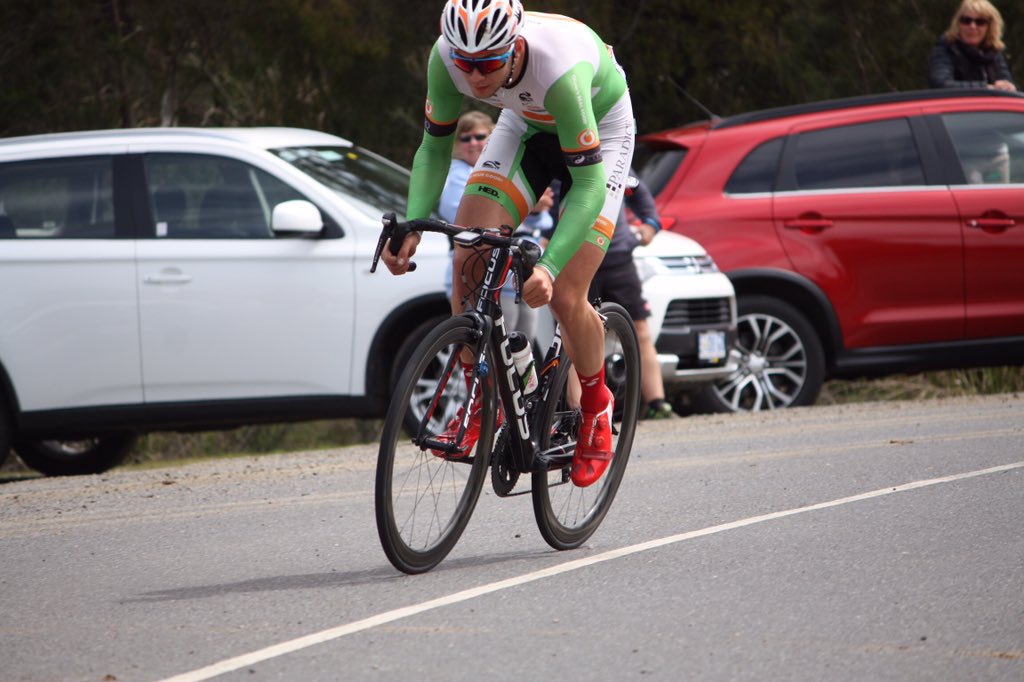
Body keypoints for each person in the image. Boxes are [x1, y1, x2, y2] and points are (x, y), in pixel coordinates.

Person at [382, 0, 634, 487]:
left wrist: (550, 266)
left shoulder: (559, 68)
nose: (475, 77)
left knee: (564, 294)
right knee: (467, 257)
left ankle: (597, 406)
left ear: (515, 45)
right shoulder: (445, 58)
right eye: (465, 63)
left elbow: (586, 187)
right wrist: (412, 222)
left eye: (489, 63)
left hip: (601, 133)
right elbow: (434, 146)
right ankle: (486, 401)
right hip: (522, 124)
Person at [546, 173, 676, 420]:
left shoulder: (614, 145)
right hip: (572, 255)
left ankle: (658, 403)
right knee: (570, 330)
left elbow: (639, 190)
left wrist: (651, 223)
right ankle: (577, 411)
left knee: (640, 330)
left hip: (617, 258)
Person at [438, 111, 552, 339]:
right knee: (494, 350)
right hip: (484, 273)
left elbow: (545, 219)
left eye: (480, 136)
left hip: (520, 273)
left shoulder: (505, 168)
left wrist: (529, 211)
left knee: (522, 346)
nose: (473, 143)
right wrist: (529, 208)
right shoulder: (458, 174)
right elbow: (461, 215)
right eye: (465, 138)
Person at [928, 0, 1017, 91]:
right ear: (958, 24)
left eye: (980, 22)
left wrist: (1008, 86)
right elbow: (940, 84)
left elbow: (1008, 84)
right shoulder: (946, 49)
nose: (972, 26)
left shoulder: (994, 53)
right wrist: (985, 88)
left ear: (990, 27)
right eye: (966, 21)